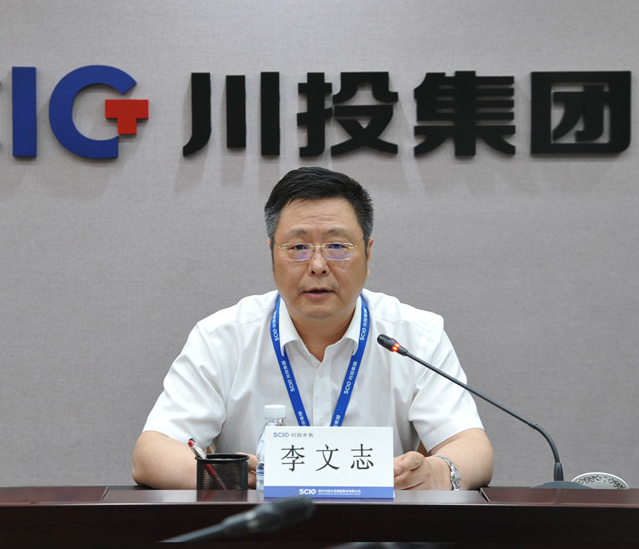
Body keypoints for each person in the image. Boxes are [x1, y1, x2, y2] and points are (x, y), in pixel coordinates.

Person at [132, 167, 493, 490]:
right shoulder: (222, 337)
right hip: (257, 532)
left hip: (380, 530)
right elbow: (151, 453)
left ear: (368, 254)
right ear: (272, 253)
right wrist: (234, 478)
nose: (318, 265)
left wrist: (437, 473)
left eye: (337, 246)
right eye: (298, 247)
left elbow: (472, 447)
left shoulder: (415, 336)